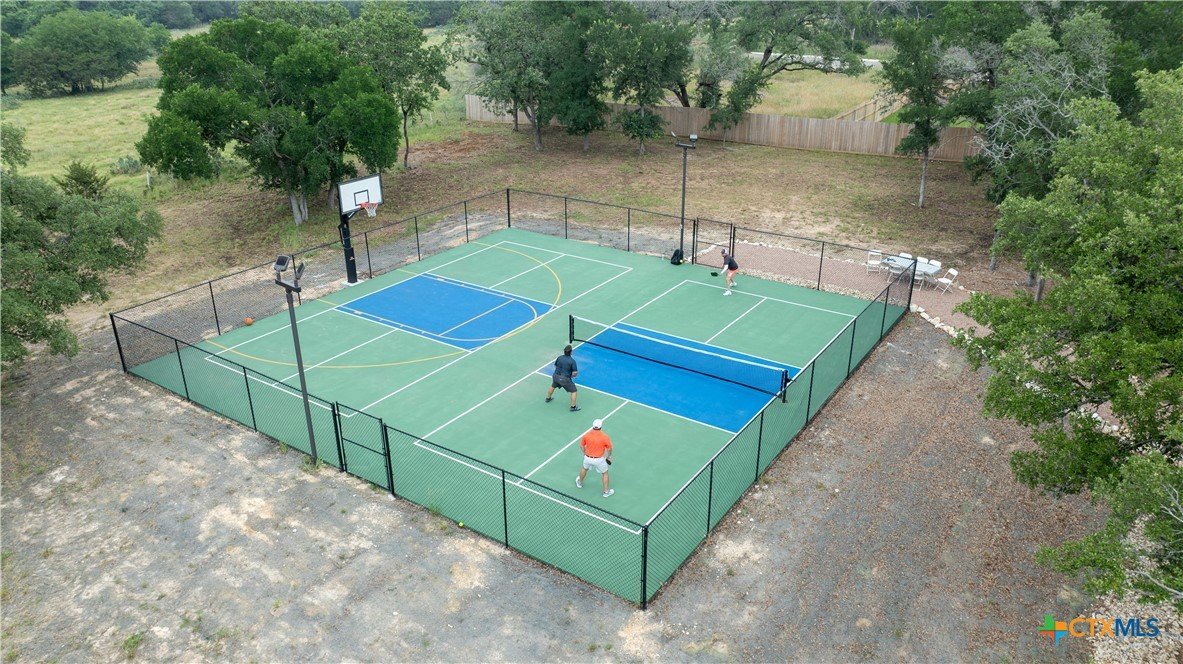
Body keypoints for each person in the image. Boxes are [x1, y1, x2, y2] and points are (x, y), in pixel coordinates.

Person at [577, 419, 614, 498]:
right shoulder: (605, 436)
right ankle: (606, 492)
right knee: (605, 473)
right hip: (599, 460)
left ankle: (579, 483)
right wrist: (609, 456)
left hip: (587, 458)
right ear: (601, 426)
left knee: (584, 468)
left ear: (593, 426)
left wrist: (585, 454)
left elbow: (581, 445)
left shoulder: (587, 435)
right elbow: (609, 449)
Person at [545, 344, 580, 412]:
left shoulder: (559, 357)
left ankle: (548, 398)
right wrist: (571, 376)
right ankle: (573, 407)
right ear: (571, 352)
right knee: (574, 391)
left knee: (553, 386)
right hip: (564, 379)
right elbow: (575, 373)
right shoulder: (572, 361)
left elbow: (555, 366)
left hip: (555, 376)